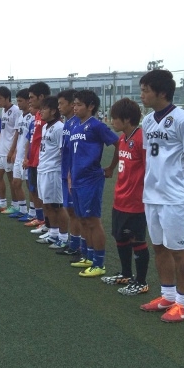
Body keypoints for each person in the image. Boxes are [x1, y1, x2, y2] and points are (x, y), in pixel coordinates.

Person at [138, 69, 184, 322]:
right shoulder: (148, 121)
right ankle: (168, 296)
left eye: (146, 90)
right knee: (159, 247)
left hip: (176, 198)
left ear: (161, 92)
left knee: (180, 251)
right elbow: (151, 157)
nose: (142, 94)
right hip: (152, 195)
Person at [101, 98, 150, 296]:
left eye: (115, 118)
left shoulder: (141, 139)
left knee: (137, 240)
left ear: (127, 119)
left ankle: (142, 282)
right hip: (120, 198)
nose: (112, 122)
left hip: (136, 202)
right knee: (120, 237)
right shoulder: (123, 138)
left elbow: (150, 169)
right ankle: (126, 274)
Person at [68, 90, 118, 277]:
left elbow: (118, 143)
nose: (75, 107)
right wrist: (70, 175)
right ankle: (88, 256)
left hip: (91, 179)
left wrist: (111, 167)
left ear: (90, 107)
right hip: (77, 180)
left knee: (93, 220)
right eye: (74, 104)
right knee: (82, 219)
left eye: (79, 104)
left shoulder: (97, 126)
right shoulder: (75, 126)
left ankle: (99, 263)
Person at [34, 97, 69, 249]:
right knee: (46, 203)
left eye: (44, 109)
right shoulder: (45, 127)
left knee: (57, 205)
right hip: (43, 169)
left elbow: (63, 152)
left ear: (53, 111)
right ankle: (53, 233)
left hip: (53, 170)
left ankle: (64, 236)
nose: (40, 111)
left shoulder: (60, 127)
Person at [56, 89, 83, 258]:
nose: (59, 107)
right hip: (65, 172)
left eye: (61, 104)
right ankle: (73, 244)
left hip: (74, 174)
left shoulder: (78, 123)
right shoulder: (67, 123)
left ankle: (80, 246)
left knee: (76, 212)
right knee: (70, 210)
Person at [23, 82, 50, 233]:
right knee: (33, 189)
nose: (30, 100)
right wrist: (27, 157)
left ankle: (48, 223)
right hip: (33, 160)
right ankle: (40, 219)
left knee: (43, 194)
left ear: (41, 97)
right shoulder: (37, 115)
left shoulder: (49, 116)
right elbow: (31, 138)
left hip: (43, 162)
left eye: (32, 97)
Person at [0, 86, 22, 214]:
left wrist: (13, 150)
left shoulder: (16, 111)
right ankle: (2, 203)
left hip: (9, 150)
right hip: (1, 150)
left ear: (7, 98)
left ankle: (15, 205)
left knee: (12, 179)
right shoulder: (3, 111)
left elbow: (17, 132)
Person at [9, 89, 33, 220]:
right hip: (19, 155)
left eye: (20, 101)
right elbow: (18, 135)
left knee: (30, 185)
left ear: (28, 101)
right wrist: (14, 151)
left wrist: (27, 156)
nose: (18, 103)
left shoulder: (33, 117)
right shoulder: (21, 116)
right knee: (16, 183)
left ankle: (33, 212)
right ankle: (22, 209)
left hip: (27, 156)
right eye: (17, 101)